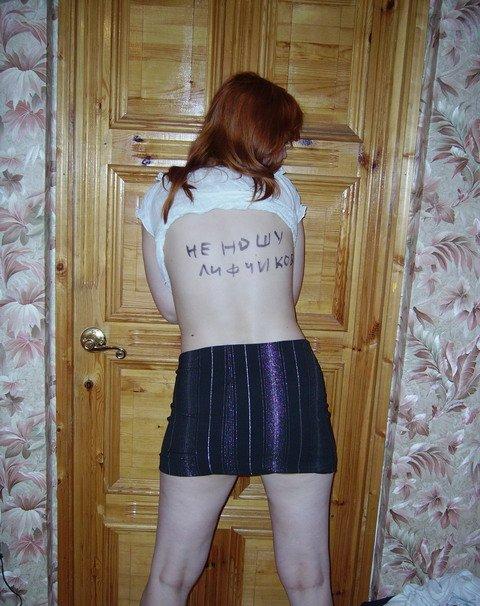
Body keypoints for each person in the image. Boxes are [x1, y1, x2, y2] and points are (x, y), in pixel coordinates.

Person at [135, 71, 337, 606]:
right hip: (286, 380)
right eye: (283, 136)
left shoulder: (164, 195)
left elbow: (170, 308)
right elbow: (290, 292)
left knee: (171, 574)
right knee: (309, 576)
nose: (285, 149)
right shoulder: (281, 189)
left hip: (207, 383)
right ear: (259, 131)